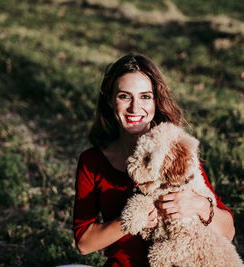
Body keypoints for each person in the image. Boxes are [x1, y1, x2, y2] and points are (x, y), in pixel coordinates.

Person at [72, 53, 235, 267]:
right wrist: (131, 220)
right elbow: (84, 243)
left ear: (156, 101)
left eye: (145, 97)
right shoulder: (92, 161)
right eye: (124, 96)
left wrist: (201, 206)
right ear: (111, 100)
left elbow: (228, 231)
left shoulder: (174, 151)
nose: (134, 107)